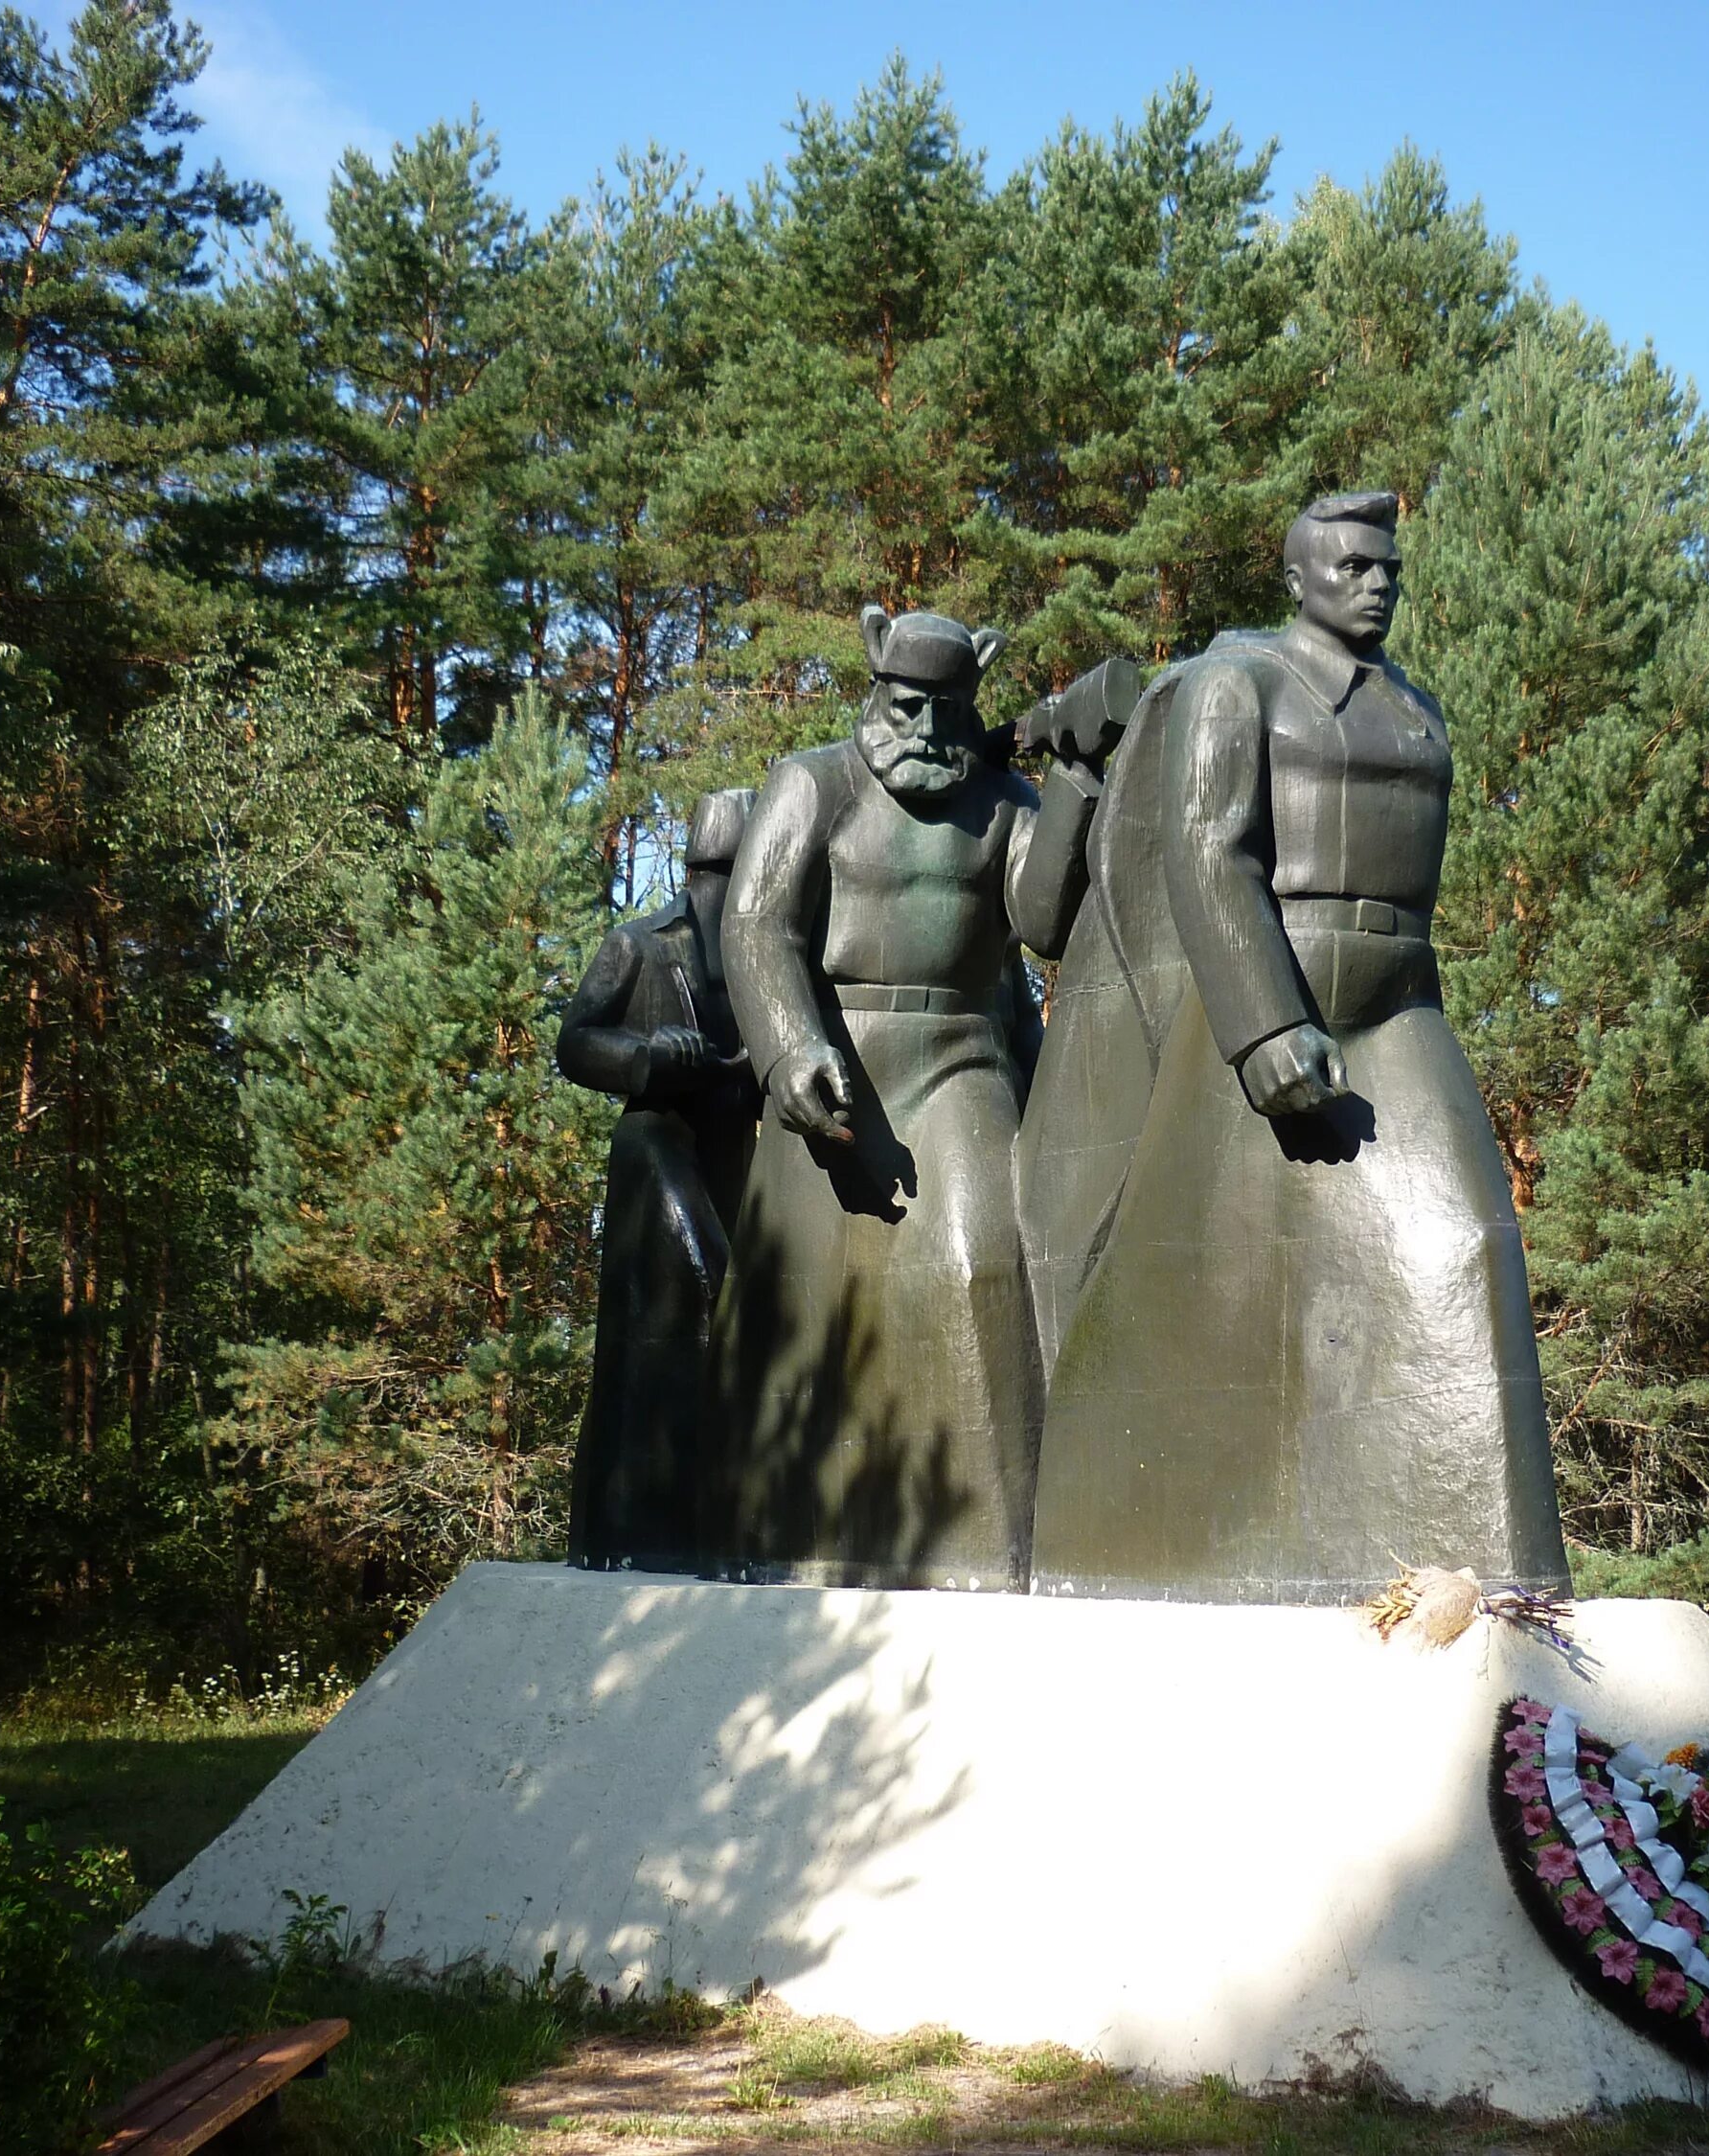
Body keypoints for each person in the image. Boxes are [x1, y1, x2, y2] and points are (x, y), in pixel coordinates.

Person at [1020, 492, 1573, 1600]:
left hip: (1399, 995)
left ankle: (1483, 1563)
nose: (1375, 583)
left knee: (1463, 1234)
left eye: (1388, 567)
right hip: (1267, 989)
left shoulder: (1418, 711)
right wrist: (1262, 1024)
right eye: (1352, 565)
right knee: (1187, 1279)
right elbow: (1205, 852)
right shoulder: (1241, 685)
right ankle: (1121, 1545)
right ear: (1298, 577)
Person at [711, 607, 1102, 1587]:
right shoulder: (814, 783)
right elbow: (757, 929)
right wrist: (789, 1048)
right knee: (799, 1311)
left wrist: (1077, 782)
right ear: (877, 692)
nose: (929, 728)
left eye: (950, 708)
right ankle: (773, 1542)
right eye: (910, 704)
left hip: (960, 1057)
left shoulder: (1004, 799)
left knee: (986, 1258)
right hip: (837, 1054)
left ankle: (996, 1547)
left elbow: (1044, 923)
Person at [554, 790, 760, 1569]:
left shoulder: (762, 956)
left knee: (744, 1323)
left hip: (736, 1154)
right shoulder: (638, 944)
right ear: (709, 872)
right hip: (656, 1149)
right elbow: (575, 1043)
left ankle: (716, 1530)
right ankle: (634, 1535)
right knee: (673, 1324)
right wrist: (646, 1055)